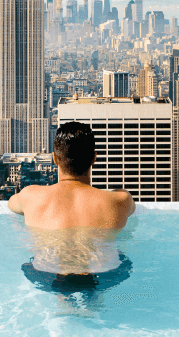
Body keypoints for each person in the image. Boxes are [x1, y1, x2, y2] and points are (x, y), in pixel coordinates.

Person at [9, 121, 136, 282]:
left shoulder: (30, 196)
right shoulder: (120, 200)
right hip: (105, 273)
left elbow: (12, 205)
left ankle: (63, 296)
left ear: (55, 158)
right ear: (94, 158)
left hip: (46, 272)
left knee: (30, 264)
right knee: (122, 258)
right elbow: (130, 206)